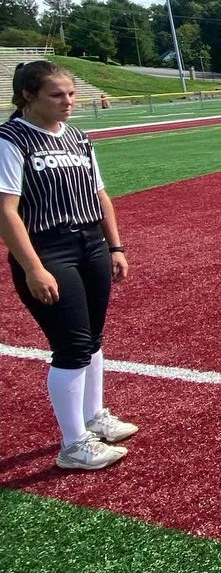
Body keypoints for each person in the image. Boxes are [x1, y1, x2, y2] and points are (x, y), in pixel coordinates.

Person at [0, 61, 136, 471]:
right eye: (57, 94)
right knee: (72, 345)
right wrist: (33, 267)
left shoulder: (78, 137)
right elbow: (6, 211)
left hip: (90, 244)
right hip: (48, 249)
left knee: (92, 338)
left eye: (72, 94)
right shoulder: (12, 139)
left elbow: (101, 195)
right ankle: (73, 444)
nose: (68, 102)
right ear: (28, 95)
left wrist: (114, 246)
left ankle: (94, 416)